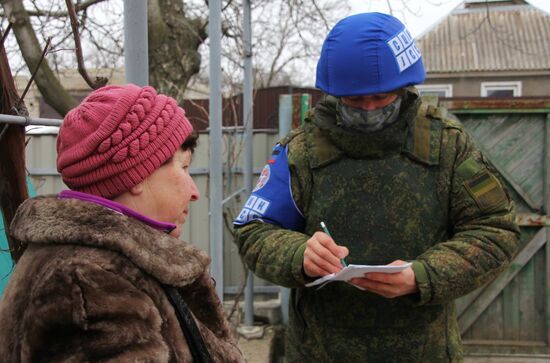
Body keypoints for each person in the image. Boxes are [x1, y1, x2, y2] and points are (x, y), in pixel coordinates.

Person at [234, 12, 519, 362]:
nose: (369, 109)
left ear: (404, 88)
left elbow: (496, 230)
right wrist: (300, 254)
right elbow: (254, 231)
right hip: (321, 351)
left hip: (423, 351)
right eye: (355, 100)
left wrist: (424, 275)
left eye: (381, 97)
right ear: (334, 94)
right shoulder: (302, 151)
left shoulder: (446, 145)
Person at [0, 84, 244, 362]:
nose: (194, 191)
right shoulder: (87, 285)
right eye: (184, 167)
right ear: (139, 174)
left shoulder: (97, 265)